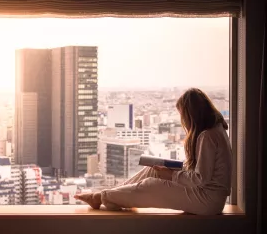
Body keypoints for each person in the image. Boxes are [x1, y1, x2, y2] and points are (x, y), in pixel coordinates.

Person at [74, 88, 232, 215]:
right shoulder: (214, 130)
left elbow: (200, 179)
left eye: (183, 116)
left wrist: (170, 174)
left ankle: (100, 197)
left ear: (192, 115)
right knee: (152, 170)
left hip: (208, 200)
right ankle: (107, 195)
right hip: (207, 195)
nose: (183, 121)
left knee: (151, 185)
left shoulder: (207, 136)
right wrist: (170, 170)